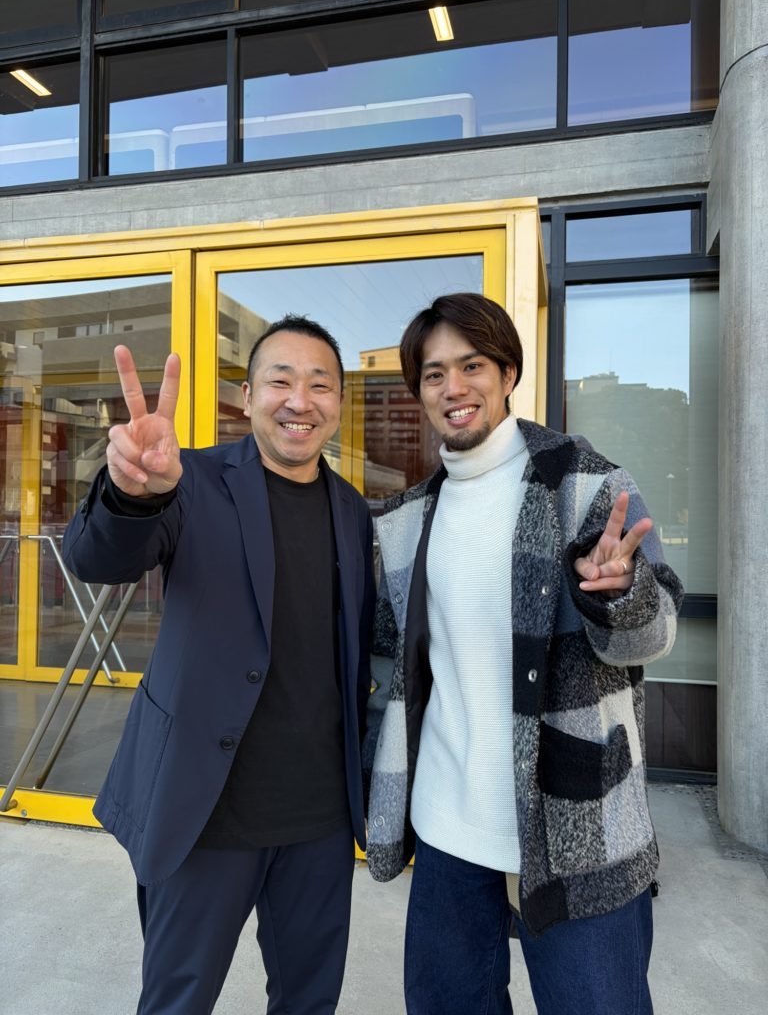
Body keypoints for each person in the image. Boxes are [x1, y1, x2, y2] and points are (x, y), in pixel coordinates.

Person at [365, 292, 684, 1015]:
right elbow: (395, 669)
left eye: (472, 366)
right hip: (447, 828)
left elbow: (656, 633)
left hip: (578, 822)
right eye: (434, 374)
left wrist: (619, 594)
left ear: (507, 373)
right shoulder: (408, 519)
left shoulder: (587, 484)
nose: (454, 387)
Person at [63, 316, 375, 1015]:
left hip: (319, 820)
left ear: (338, 403)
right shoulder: (190, 479)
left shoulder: (353, 511)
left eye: (320, 384)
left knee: (310, 1002)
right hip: (203, 811)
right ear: (248, 396)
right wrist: (132, 494)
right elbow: (98, 559)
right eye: (281, 381)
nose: (300, 401)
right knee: (177, 1001)